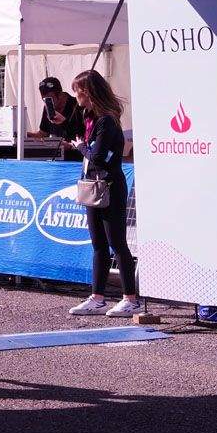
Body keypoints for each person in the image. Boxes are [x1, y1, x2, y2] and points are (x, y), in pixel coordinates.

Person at [65, 70, 141, 318]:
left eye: (77, 91)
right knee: (98, 244)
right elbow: (73, 130)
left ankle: (130, 299)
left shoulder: (106, 121)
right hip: (93, 186)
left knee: (117, 242)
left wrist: (81, 148)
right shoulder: (91, 118)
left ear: (87, 92)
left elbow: (97, 156)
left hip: (109, 186)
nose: (75, 95)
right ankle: (97, 297)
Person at [33, 77, 85, 159]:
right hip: (55, 156)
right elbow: (43, 133)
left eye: (50, 99)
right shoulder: (47, 108)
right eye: (44, 100)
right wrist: (23, 134)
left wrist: (64, 123)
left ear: (60, 95)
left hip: (75, 156)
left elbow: (83, 134)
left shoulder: (77, 106)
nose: (47, 102)